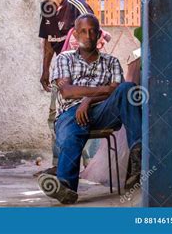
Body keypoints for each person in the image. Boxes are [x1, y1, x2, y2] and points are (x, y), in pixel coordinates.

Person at [38, 14, 142, 204]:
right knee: (72, 134)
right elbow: (68, 92)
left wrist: (87, 99)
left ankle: (138, 157)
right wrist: (103, 90)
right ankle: (66, 187)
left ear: (99, 34)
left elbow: (117, 91)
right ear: (76, 35)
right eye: (83, 31)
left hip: (103, 112)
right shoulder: (64, 59)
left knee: (127, 88)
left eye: (93, 31)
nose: (88, 35)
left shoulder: (111, 62)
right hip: (71, 112)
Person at [35, 0, 94, 176]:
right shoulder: (47, 9)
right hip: (60, 74)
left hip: (81, 74)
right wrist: (45, 71)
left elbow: (95, 42)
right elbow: (49, 43)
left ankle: (86, 165)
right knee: (55, 118)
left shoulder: (78, 6)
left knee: (80, 116)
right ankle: (60, 164)